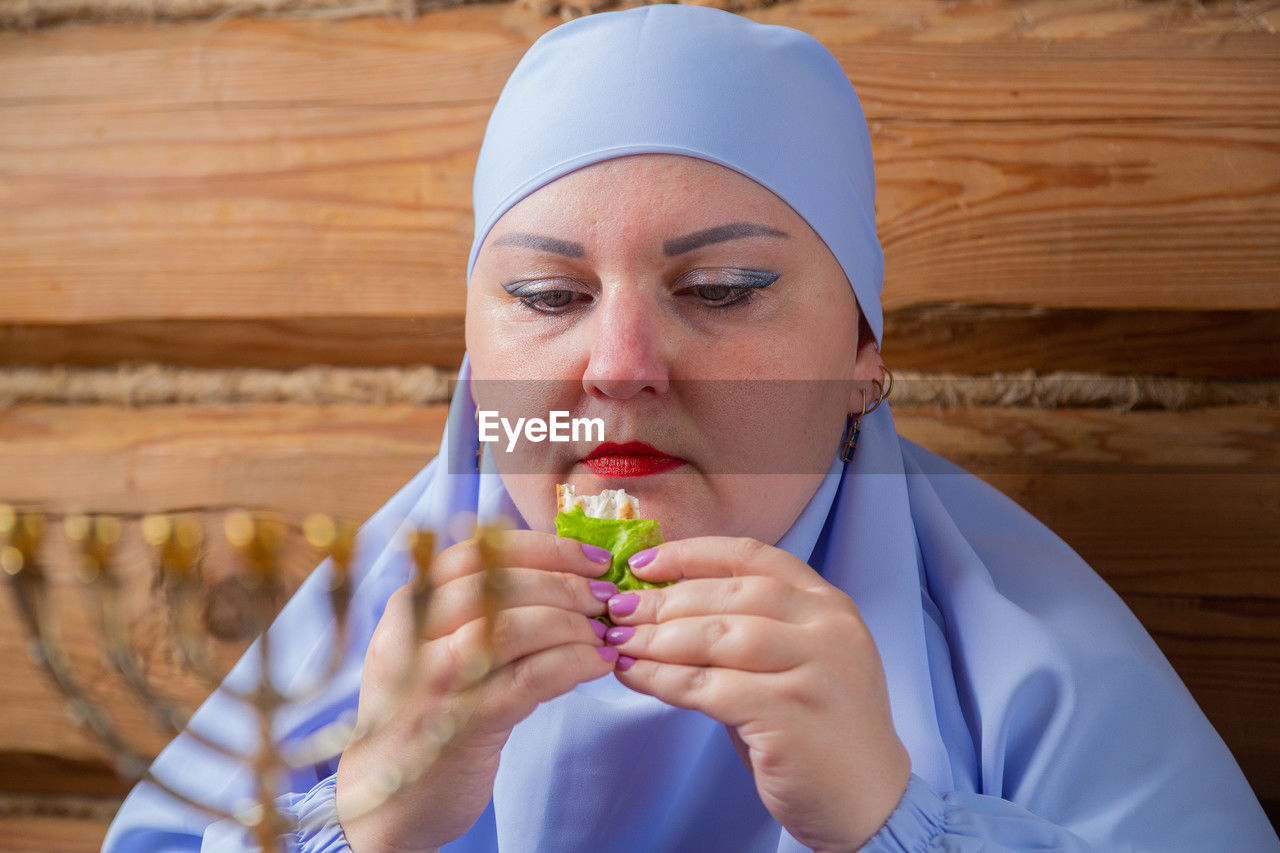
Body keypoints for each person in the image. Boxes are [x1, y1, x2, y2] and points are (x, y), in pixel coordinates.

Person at [103, 4, 1278, 851]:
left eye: (720, 292)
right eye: (545, 297)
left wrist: (899, 826)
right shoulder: (345, 641)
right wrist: (358, 829)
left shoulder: (1030, 665)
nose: (617, 369)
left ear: (864, 352)